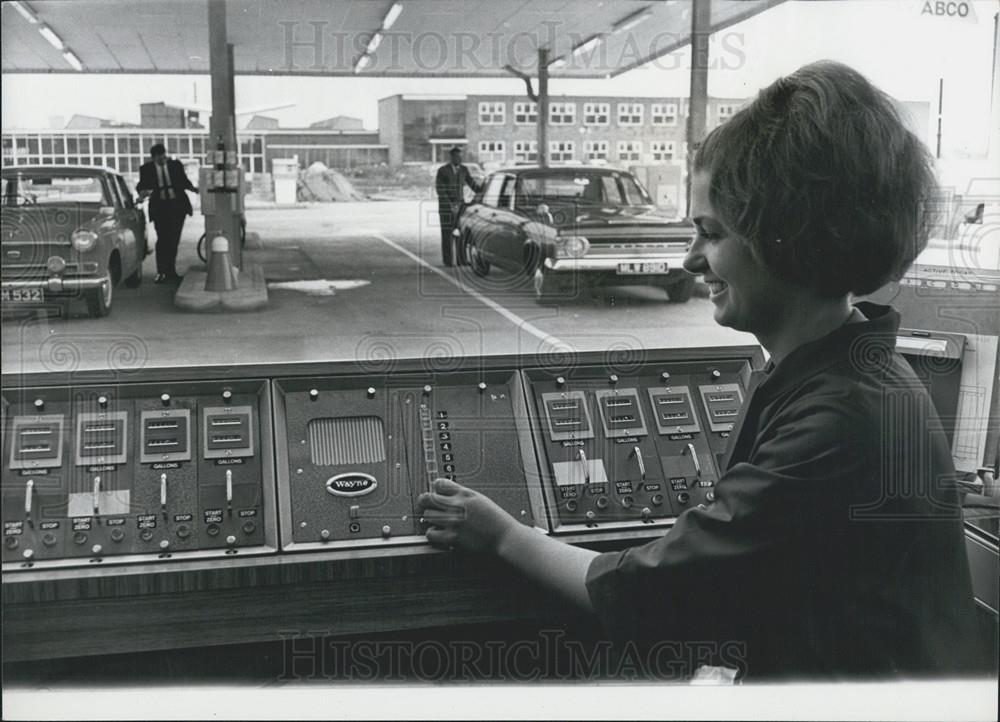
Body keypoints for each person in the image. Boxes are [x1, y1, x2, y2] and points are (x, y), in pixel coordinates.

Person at [416, 61, 979, 680]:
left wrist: (501, 536)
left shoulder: (841, 418)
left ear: (790, 237)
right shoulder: (851, 370)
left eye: (710, 234)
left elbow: (650, 594)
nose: (690, 260)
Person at [136, 143, 198, 283]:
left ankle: (171, 271)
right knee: (163, 239)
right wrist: (142, 192)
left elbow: (184, 182)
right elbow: (141, 185)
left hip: (177, 207)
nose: (163, 159)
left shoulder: (175, 165)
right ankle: (161, 272)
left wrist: (195, 189)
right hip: (160, 208)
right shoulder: (146, 169)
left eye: (164, 156)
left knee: (174, 240)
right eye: (159, 157)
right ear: (153, 158)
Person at [435, 146, 480, 266]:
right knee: (447, 234)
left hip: (460, 206)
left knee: (461, 233)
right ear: (451, 157)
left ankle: (462, 260)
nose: (459, 159)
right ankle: (448, 261)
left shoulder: (464, 170)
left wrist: (482, 191)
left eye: (460, 157)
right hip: (446, 207)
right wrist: (449, 205)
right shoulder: (442, 171)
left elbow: (472, 184)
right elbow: (441, 190)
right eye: (456, 157)